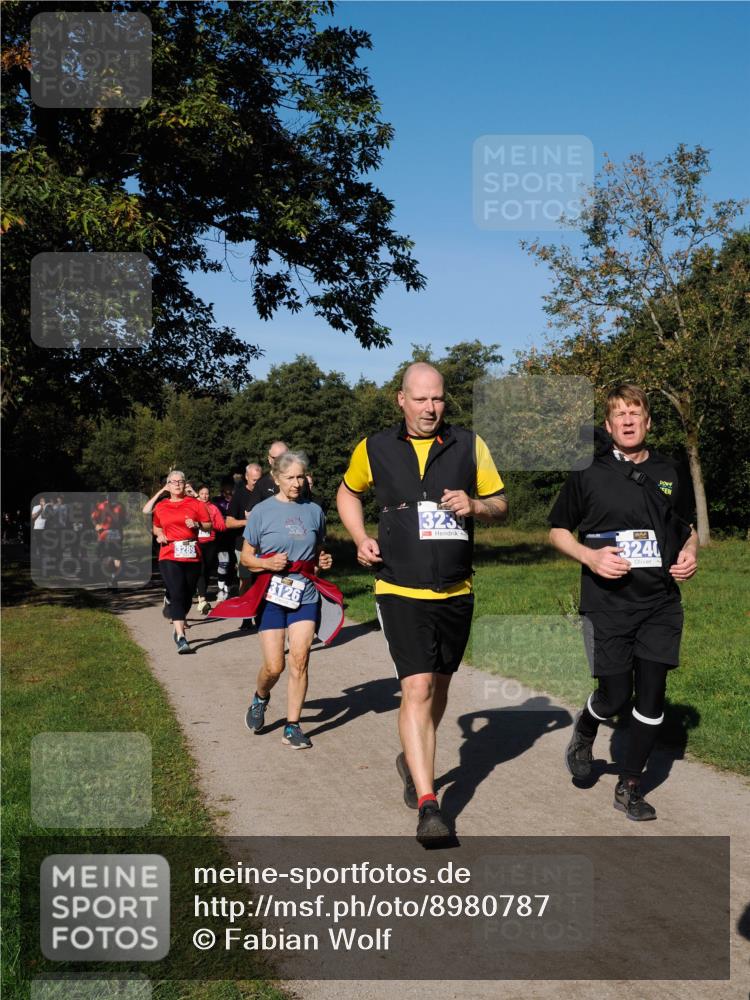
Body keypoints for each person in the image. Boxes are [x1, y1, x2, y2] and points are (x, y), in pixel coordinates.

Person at [336, 362, 508, 843]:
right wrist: (360, 537)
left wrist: (476, 505)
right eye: (421, 399)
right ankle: (429, 804)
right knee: (417, 687)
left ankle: (413, 757)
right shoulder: (374, 448)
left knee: (439, 688)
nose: (430, 408)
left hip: (456, 590)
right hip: (399, 589)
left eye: (438, 398)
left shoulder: (469, 445)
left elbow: (500, 503)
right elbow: (347, 493)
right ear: (401, 400)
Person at [549, 384, 698, 821]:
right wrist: (590, 557)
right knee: (615, 696)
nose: (628, 420)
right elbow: (558, 530)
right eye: (619, 414)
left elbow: (687, 529)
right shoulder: (588, 472)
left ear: (647, 421)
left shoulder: (670, 472)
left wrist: (690, 554)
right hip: (607, 603)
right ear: (609, 424)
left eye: (635, 413)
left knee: (652, 697)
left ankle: (630, 784)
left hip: (659, 603)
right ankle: (587, 726)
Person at [238, 451, 334, 748]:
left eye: (300, 477)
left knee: (300, 659)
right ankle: (260, 697)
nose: (296, 483)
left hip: (305, 593)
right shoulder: (262, 512)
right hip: (272, 595)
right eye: (290, 477)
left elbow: (317, 552)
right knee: (274, 666)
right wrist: (266, 563)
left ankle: (292, 726)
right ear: (276, 478)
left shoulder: (314, 511)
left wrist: (322, 561)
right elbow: (246, 558)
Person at [151, 471, 211, 654]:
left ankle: (177, 616)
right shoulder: (161, 506)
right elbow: (156, 526)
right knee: (177, 592)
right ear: (168, 485)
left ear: (185, 484)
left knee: (187, 595)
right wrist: (159, 534)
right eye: (173, 482)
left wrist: (197, 525)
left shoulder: (196, 504)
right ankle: (181, 636)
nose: (177, 484)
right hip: (169, 554)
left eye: (180, 481)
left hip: (192, 554)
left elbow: (208, 524)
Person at [225, 461, 266, 628]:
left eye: (260, 479)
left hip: (265, 544)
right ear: (247, 478)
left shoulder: (267, 494)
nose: (257, 483)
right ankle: (246, 616)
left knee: (263, 580)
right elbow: (228, 522)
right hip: (243, 545)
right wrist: (247, 522)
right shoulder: (239, 495)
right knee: (246, 580)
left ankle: (262, 615)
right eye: (254, 480)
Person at [194, 485, 226, 614]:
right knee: (200, 569)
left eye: (207, 493)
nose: (204, 496)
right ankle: (202, 599)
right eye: (202, 493)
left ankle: (201, 592)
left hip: (210, 543)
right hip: (196, 542)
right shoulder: (193, 506)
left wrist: (209, 525)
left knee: (206, 570)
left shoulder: (213, 508)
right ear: (198, 494)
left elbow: (222, 526)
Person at [91, 495, 127, 588]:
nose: (111, 498)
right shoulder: (101, 506)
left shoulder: (120, 506)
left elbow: (124, 520)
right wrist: (97, 525)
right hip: (105, 534)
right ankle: (110, 577)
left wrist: (118, 523)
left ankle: (113, 578)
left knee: (115, 557)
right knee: (104, 556)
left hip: (114, 534)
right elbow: (93, 518)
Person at [212, 479, 236, 597]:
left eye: (230, 490)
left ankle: (228, 585)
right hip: (221, 536)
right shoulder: (216, 501)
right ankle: (221, 586)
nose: (228, 492)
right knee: (223, 562)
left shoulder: (237, 500)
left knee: (232, 563)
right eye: (226, 490)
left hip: (235, 535)